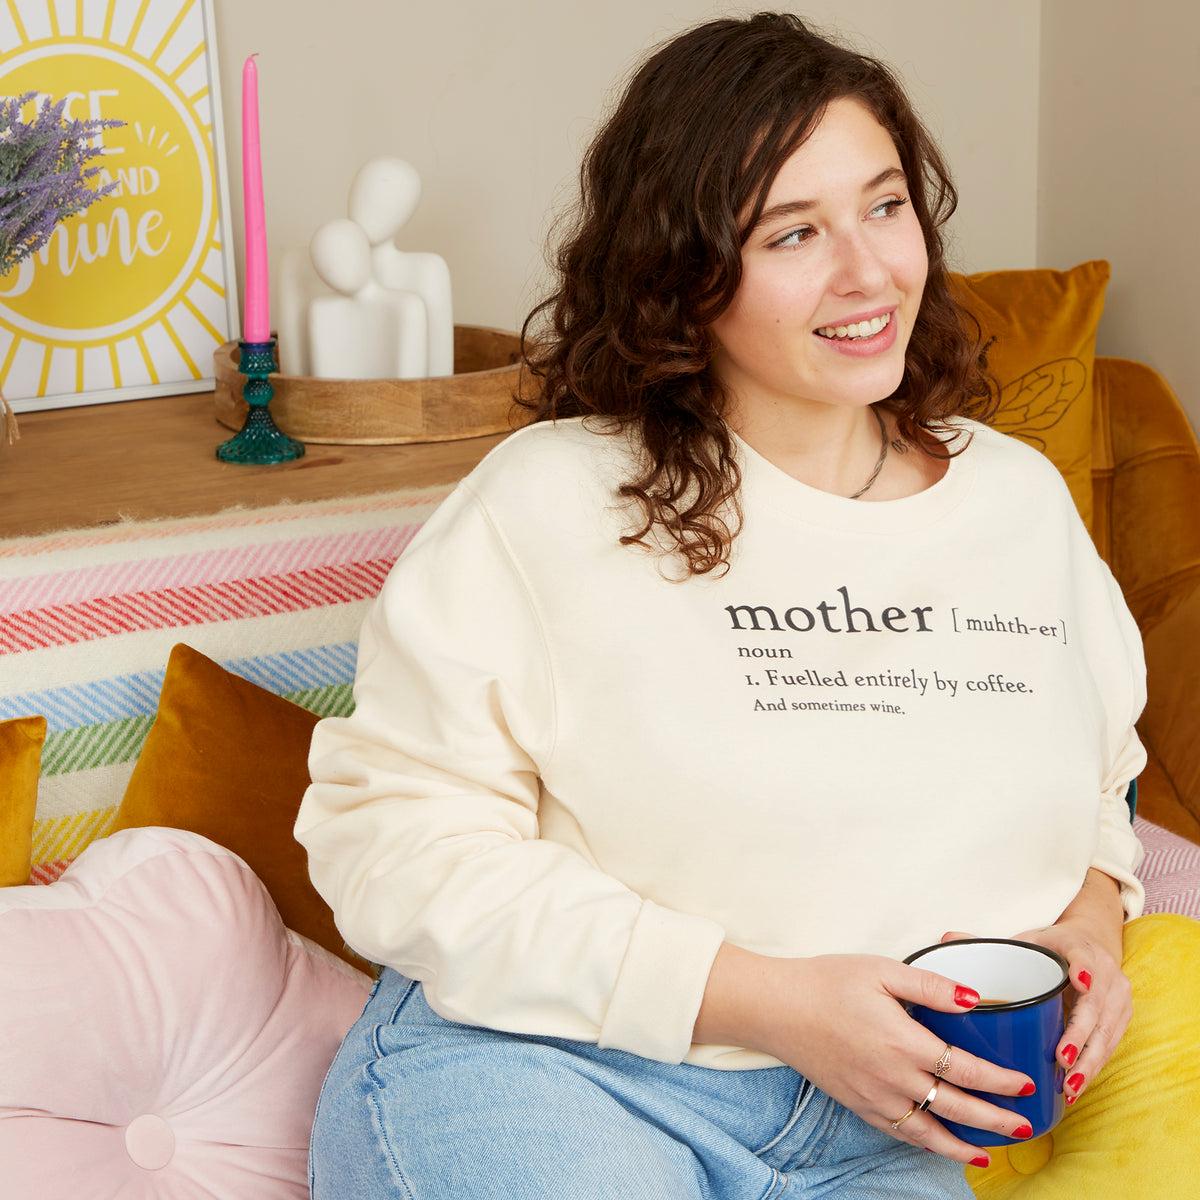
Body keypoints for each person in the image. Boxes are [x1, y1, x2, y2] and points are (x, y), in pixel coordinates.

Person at [295, 13, 1147, 1198]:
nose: (868, 274)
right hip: (557, 1071)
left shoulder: (1018, 505)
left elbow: (1104, 774)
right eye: (794, 232)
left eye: (885, 205)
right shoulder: (554, 500)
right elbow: (386, 839)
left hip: (888, 1126)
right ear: (685, 273)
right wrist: (772, 1000)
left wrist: (1093, 936)